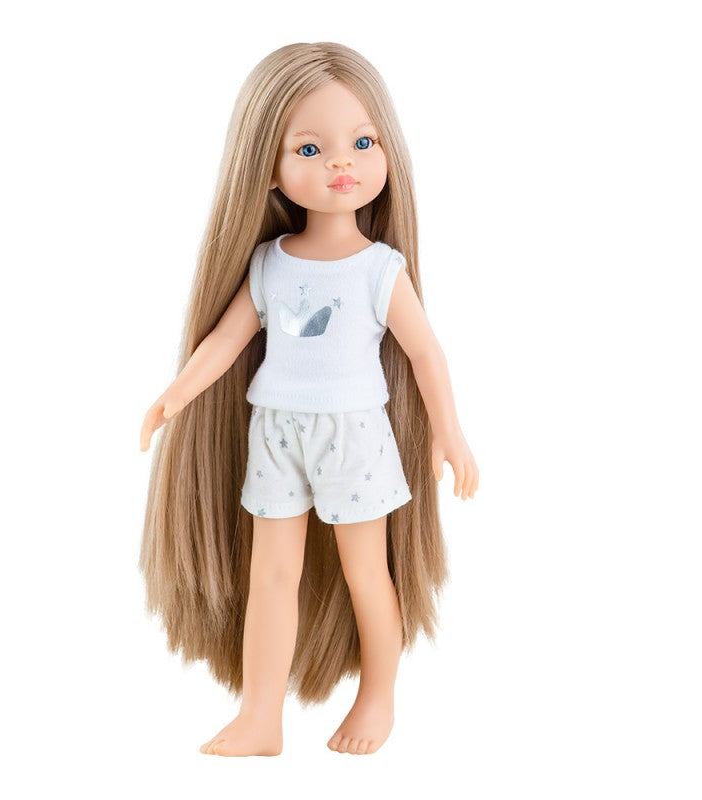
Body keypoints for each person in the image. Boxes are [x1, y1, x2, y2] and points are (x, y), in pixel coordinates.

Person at [139, 42, 478, 757]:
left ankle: (378, 697)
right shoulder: (268, 263)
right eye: (311, 149)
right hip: (276, 432)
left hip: (355, 434)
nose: (340, 164)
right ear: (268, 166)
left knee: (366, 570)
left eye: (362, 142)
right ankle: (261, 716)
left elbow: (426, 353)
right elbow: (226, 341)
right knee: (271, 574)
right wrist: (175, 395)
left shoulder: (379, 269)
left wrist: (449, 432)